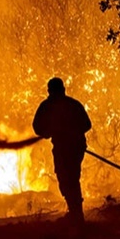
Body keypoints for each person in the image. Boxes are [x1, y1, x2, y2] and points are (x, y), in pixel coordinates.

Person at [33, 77, 92, 224]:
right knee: (67, 179)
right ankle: (75, 212)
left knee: (70, 178)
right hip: (64, 147)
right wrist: (48, 131)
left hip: (73, 147)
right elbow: (38, 127)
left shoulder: (62, 105)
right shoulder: (65, 105)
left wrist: (69, 131)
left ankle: (77, 215)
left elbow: (86, 124)